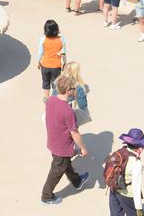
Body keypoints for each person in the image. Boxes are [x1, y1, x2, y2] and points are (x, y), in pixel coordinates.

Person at [41, 75, 90, 205]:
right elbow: (74, 133)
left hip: (53, 141)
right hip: (62, 147)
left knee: (64, 163)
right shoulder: (68, 111)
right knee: (57, 170)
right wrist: (84, 149)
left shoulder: (50, 100)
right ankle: (46, 196)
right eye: (74, 88)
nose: (75, 90)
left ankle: (76, 181)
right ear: (68, 90)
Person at [107, 128, 144, 216]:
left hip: (113, 188)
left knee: (115, 214)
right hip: (126, 194)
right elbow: (136, 187)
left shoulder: (119, 152)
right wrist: (139, 209)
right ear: (140, 147)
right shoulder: (136, 163)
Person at [37, 20, 67, 103]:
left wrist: (38, 61)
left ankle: (46, 98)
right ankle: (54, 97)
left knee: (45, 81)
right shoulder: (61, 39)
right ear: (56, 29)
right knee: (55, 82)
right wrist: (64, 63)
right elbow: (63, 53)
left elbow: (40, 52)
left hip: (45, 65)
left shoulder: (43, 39)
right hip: (56, 66)